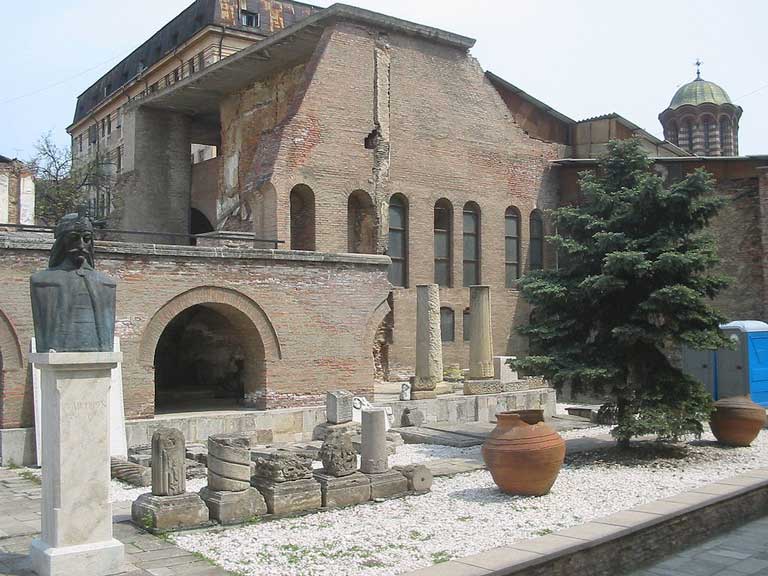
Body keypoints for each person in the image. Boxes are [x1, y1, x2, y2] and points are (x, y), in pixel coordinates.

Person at [30, 211, 116, 352]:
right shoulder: (42, 282)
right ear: (62, 242)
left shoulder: (107, 284)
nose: (81, 245)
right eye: (74, 238)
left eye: (86, 239)